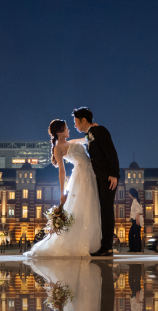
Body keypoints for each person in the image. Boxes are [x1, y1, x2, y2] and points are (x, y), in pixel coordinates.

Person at [24, 119, 102, 257]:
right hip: (81, 175)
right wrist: (62, 192)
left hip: (89, 173)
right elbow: (62, 171)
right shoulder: (58, 148)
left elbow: (86, 139)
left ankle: (92, 243)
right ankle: (82, 243)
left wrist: (92, 129)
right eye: (66, 128)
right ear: (59, 132)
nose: (68, 130)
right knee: (82, 208)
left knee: (90, 207)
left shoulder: (70, 142)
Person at [74, 108, 120, 257]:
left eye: (76, 122)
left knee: (106, 210)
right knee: (102, 210)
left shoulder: (100, 130)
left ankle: (107, 247)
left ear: (83, 120)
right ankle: (103, 245)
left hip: (108, 177)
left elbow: (111, 152)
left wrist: (114, 174)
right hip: (99, 178)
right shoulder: (90, 134)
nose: (75, 125)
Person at [127, 188, 143, 253]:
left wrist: (137, 220)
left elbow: (138, 211)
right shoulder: (136, 200)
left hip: (136, 220)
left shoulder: (135, 201)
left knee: (134, 235)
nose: (128, 195)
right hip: (135, 219)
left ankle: (136, 249)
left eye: (129, 193)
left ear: (131, 194)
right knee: (134, 234)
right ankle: (134, 248)